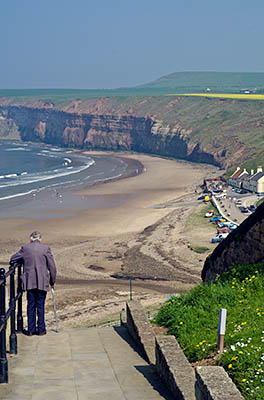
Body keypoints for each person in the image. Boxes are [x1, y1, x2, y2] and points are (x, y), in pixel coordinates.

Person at [10, 231, 57, 336]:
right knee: (40, 305)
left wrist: (23, 261)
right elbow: (52, 267)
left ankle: (31, 330)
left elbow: (13, 258)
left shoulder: (25, 248)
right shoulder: (46, 248)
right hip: (42, 281)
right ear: (40, 239)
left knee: (31, 305)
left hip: (30, 282)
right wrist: (52, 281)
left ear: (30, 239)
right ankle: (41, 329)